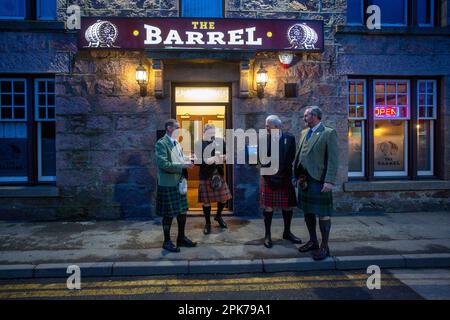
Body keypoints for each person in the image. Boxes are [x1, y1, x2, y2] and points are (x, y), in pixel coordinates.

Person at [293, 106, 338, 261]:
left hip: (319, 180)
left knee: (323, 213)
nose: (304, 118)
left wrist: (329, 180)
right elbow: (300, 155)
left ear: (315, 116)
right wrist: (296, 175)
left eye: (306, 116)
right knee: (308, 211)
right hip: (304, 179)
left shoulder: (328, 133)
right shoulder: (304, 132)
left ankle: (324, 246)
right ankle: (313, 241)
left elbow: (333, 159)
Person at [260, 115, 302, 248]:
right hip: (269, 177)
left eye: (268, 125)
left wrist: (289, 174)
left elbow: (291, 157)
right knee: (268, 207)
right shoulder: (263, 139)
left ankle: (287, 232)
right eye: (266, 125)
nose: (266, 127)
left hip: (285, 176)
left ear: (277, 126)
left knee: (288, 205)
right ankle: (267, 235)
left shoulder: (289, 138)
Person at [155, 119, 197, 252]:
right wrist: (183, 165)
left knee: (182, 211)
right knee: (168, 214)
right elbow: (164, 164)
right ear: (169, 128)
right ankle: (166, 241)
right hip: (168, 184)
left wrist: (187, 159)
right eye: (177, 127)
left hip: (179, 183)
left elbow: (178, 159)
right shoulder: (161, 144)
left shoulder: (177, 143)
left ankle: (181, 238)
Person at [196, 124, 232, 235]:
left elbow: (228, 155)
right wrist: (212, 159)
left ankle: (218, 216)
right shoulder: (199, 144)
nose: (213, 135)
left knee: (223, 199)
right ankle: (207, 223)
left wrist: (224, 157)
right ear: (205, 132)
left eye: (214, 133)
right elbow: (198, 161)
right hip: (206, 175)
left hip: (218, 174)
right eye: (210, 133)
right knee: (206, 201)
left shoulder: (220, 141)